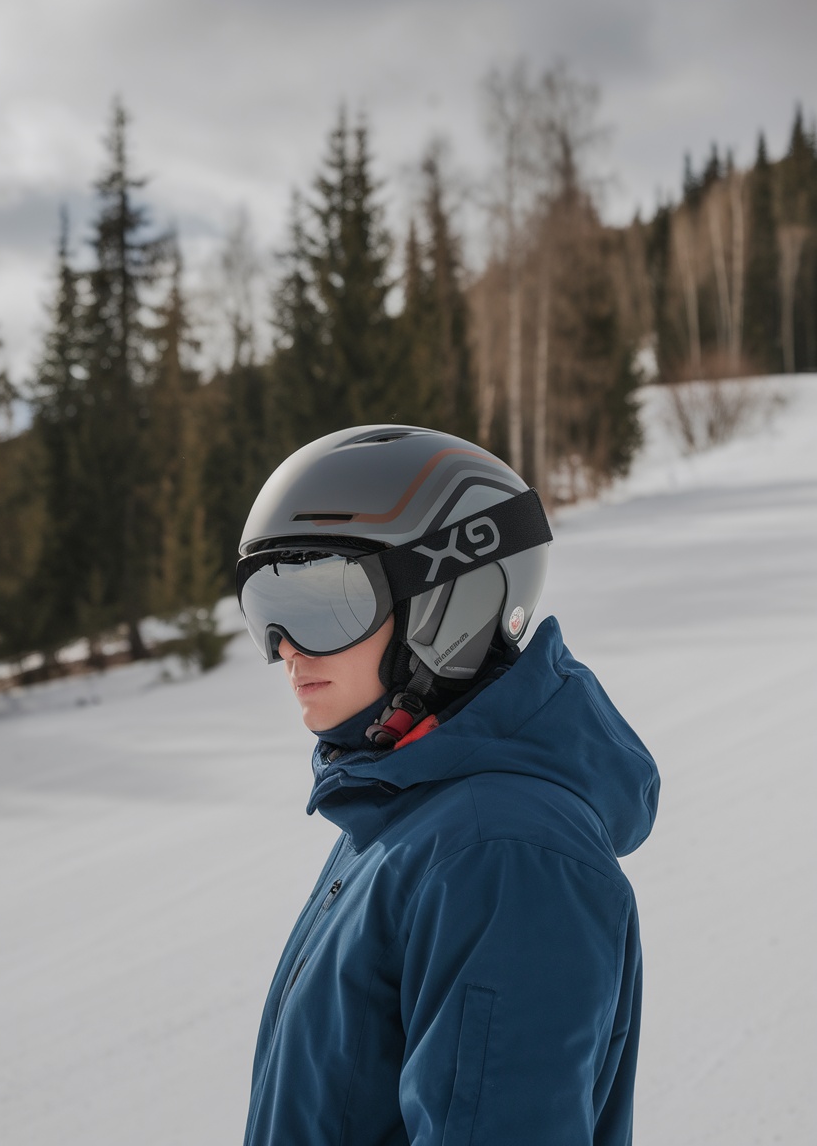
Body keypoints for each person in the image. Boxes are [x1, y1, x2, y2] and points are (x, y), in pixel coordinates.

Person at [236, 424, 659, 1146]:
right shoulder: (405, 809)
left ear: (450, 603)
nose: (285, 647)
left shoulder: (503, 853)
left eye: (323, 602)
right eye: (264, 606)